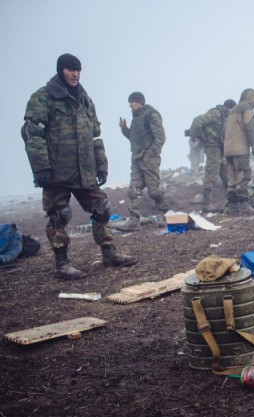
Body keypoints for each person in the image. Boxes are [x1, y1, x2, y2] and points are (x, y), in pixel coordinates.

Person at [21, 53, 136, 280]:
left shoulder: (85, 100)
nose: (75, 74)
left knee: (102, 208)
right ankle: (62, 264)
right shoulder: (43, 97)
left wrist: (100, 165)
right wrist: (41, 167)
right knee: (59, 215)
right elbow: (31, 133)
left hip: (85, 171)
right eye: (70, 69)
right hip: (56, 172)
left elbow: (95, 136)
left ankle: (109, 254)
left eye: (78, 70)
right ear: (60, 70)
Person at [115, 92, 170, 232]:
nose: (130, 105)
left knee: (154, 191)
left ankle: (167, 216)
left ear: (139, 102)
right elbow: (134, 138)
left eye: (132, 102)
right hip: (136, 158)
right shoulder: (136, 118)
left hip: (149, 158)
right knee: (133, 189)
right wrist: (124, 129)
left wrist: (151, 153)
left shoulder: (152, 115)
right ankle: (134, 221)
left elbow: (160, 138)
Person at [190, 99, 236, 213]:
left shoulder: (226, 117)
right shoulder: (215, 113)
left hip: (222, 149)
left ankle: (232, 202)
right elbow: (197, 120)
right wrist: (193, 135)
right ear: (229, 108)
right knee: (211, 175)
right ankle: (206, 204)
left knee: (227, 177)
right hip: (212, 148)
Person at [224, 88, 254, 216]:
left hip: (228, 150)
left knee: (232, 180)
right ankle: (244, 207)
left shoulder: (233, 110)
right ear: (250, 99)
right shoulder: (247, 108)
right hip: (240, 150)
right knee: (243, 176)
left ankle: (234, 209)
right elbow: (250, 128)